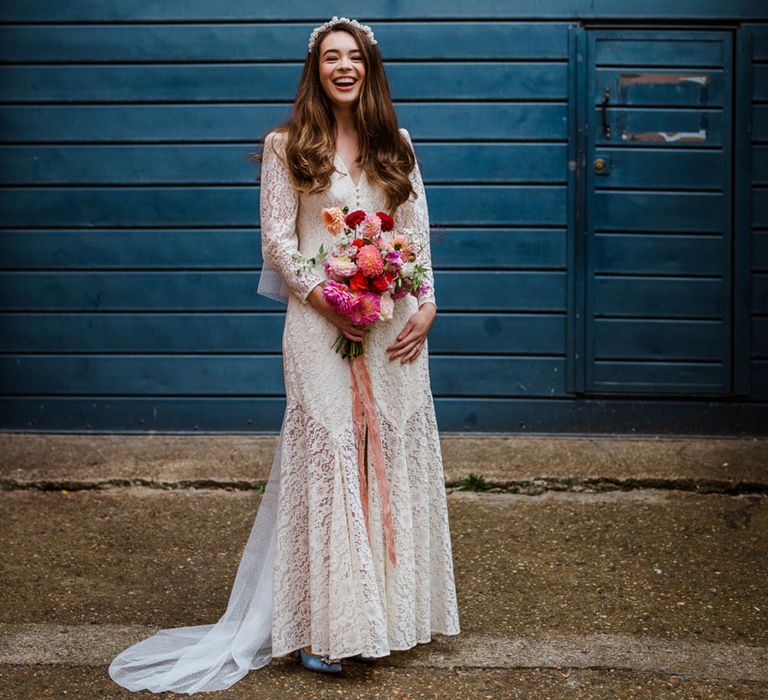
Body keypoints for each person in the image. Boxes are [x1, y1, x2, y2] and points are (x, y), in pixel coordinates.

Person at [108, 16, 460, 694]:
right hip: (318, 322)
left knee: (384, 452)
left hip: (390, 326)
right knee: (329, 455)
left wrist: (427, 304)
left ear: (370, 67)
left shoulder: (399, 144)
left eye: (353, 56)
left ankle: (382, 616)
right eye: (331, 57)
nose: (343, 66)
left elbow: (413, 235)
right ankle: (324, 626)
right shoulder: (286, 145)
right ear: (316, 70)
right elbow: (278, 241)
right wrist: (329, 298)